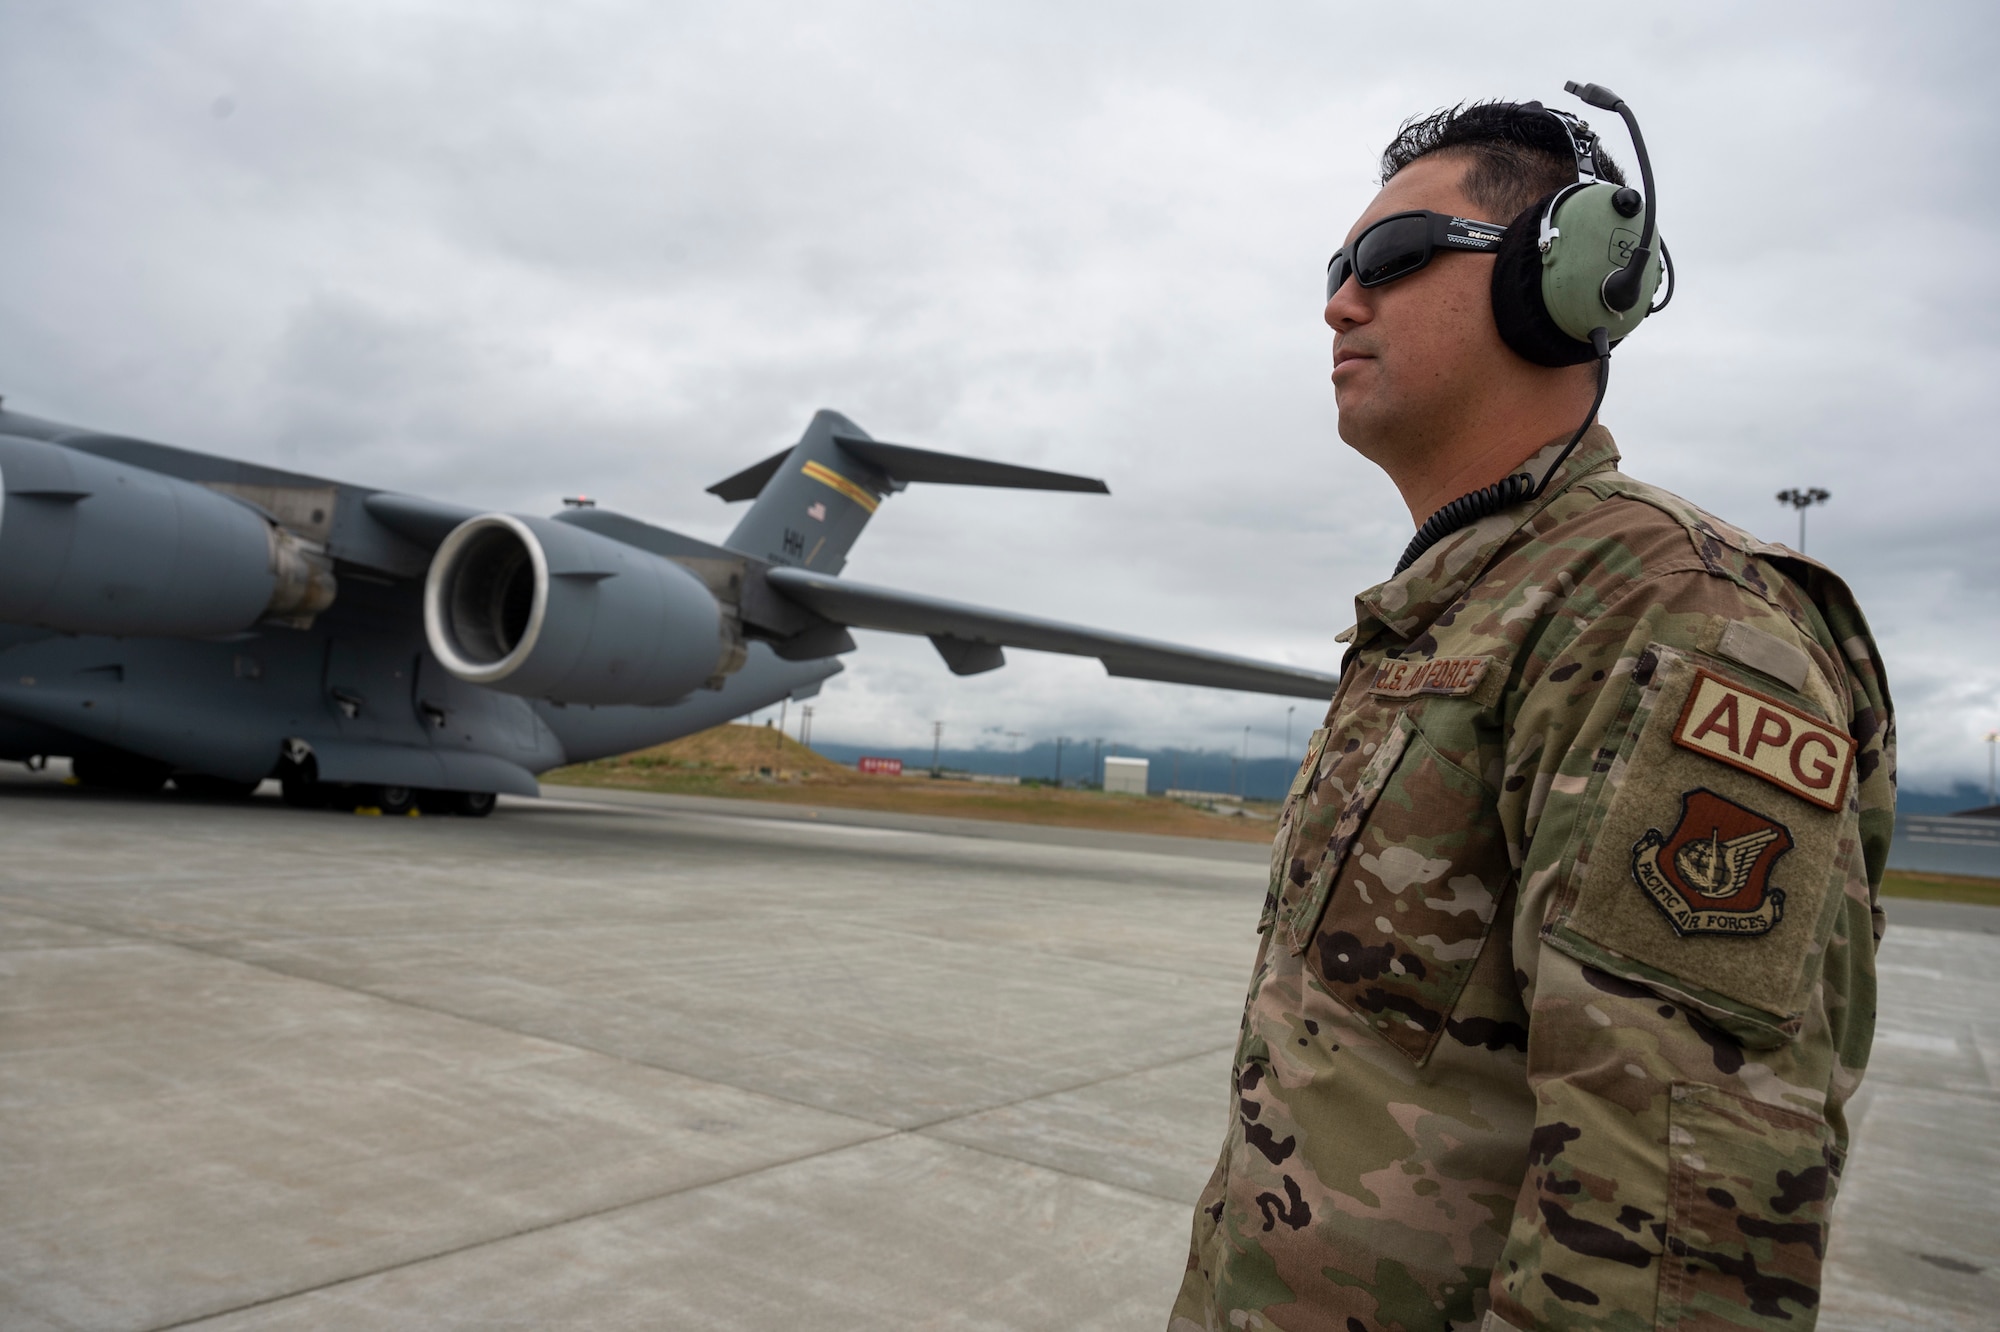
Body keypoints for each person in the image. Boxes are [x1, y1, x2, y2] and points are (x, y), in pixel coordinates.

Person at [1169, 99, 1893, 1332]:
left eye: (1389, 261)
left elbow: (1673, 1218)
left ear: (1560, 277)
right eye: (1336, 271)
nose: (1339, 303)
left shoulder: (1666, 618)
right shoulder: (1455, 613)